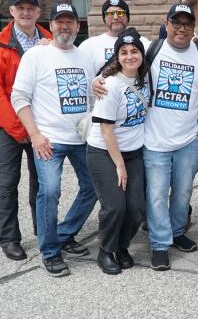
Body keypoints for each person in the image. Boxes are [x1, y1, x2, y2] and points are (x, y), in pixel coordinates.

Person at [11, 2, 97, 277]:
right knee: (48, 191)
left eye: (70, 21)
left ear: (78, 26)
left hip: (81, 139)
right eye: (59, 21)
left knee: (93, 186)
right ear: (50, 25)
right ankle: (50, 252)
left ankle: (64, 232)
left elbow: (93, 96)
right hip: (49, 139)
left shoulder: (84, 57)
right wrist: (35, 135)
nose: (65, 26)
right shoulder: (36, 56)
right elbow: (19, 98)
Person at [0, 0, 52, 261]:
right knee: (8, 183)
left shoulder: (49, 40)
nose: (25, 12)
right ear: (11, 11)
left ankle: (43, 229)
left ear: (37, 11)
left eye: (30, 8)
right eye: (19, 7)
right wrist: (21, 130)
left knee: (43, 182)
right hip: (9, 127)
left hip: (42, 126)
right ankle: (10, 238)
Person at [143, 4, 198, 271]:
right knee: (157, 194)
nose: (182, 29)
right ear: (166, 23)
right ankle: (159, 243)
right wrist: (98, 80)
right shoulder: (152, 50)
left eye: (187, 24)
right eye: (176, 23)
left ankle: (177, 231)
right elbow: (122, 67)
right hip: (155, 140)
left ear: (193, 27)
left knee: (183, 192)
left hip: (188, 141)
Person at [86, 27, 149, 275]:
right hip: (104, 153)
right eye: (123, 52)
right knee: (115, 206)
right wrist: (120, 166)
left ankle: (122, 246)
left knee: (136, 207)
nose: (130, 56)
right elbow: (106, 130)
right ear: (117, 57)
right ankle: (106, 250)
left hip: (134, 152)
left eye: (134, 51)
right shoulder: (109, 86)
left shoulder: (146, 79)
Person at [78, 0, 150, 77]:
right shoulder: (88, 45)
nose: (115, 17)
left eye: (120, 13)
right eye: (110, 14)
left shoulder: (143, 42)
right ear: (104, 18)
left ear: (127, 16)